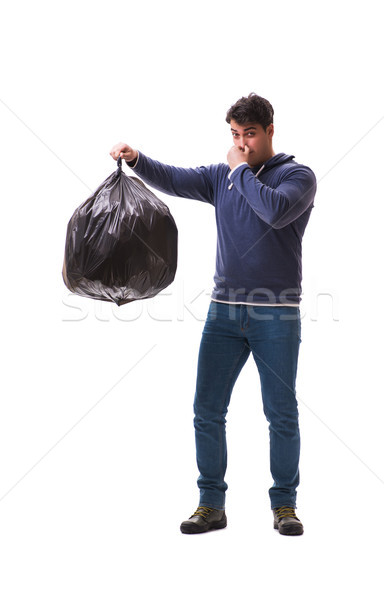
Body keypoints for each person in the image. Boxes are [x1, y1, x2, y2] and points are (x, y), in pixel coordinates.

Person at [110, 93, 317, 536]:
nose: (241, 144)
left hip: (276, 315)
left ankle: (285, 506)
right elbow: (174, 178)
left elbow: (275, 212)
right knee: (207, 409)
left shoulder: (297, 176)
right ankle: (211, 505)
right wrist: (138, 159)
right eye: (235, 135)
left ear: (270, 131)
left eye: (250, 135)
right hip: (223, 313)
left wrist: (240, 169)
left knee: (280, 412)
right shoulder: (220, 177)